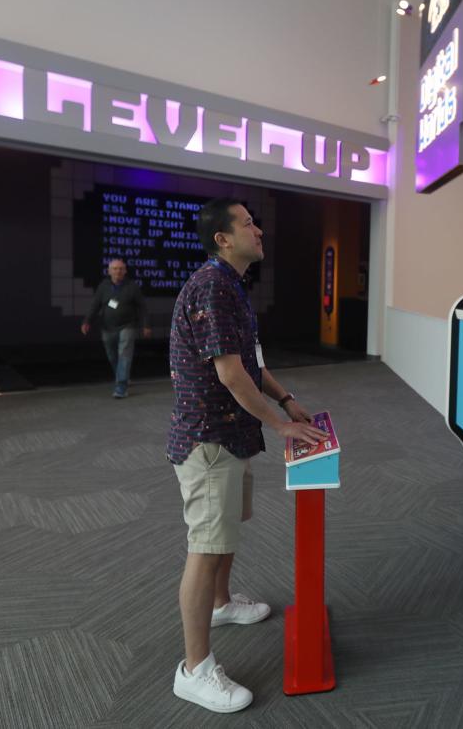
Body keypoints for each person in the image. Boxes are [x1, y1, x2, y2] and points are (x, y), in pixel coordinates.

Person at [167, 198, 328, 714]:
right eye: (247, 223)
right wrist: (281, 425)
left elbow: (253, 365)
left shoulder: (231, 285)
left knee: (227, 528)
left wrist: (284, 398)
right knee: (207, 545)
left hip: (232, 436)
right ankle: (194, 670)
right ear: (222, 238)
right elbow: (231, 374)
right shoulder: (212, 287)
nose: (258, 230)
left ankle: (221, 604)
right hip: (208, 440)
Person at [81, 258, 150, 398]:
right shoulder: (103, 286)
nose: (117, 271)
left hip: (128, 326)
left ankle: (121, 387)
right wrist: (87, 321)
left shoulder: (132, 286)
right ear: (109, 271)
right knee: (113, 356)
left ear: (125, 271)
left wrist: (146, 325)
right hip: (107, 327)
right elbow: (95, 305)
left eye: (120, 269)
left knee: (124, 354)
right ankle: (122, 376)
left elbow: (142, 307)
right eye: (115, 268)